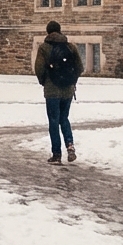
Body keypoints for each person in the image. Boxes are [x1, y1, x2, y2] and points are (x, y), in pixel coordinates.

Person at [34, 20, 84, 165]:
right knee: (64, 119)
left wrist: (44, 81)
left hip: (52, 90)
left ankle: (56, 154)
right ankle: (70, 146)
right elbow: (80, 67)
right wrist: (71, 80)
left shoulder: (44, 48)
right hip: (68, 90)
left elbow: (39, 68)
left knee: (54, 121)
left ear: (48, 32)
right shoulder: (70, 47)